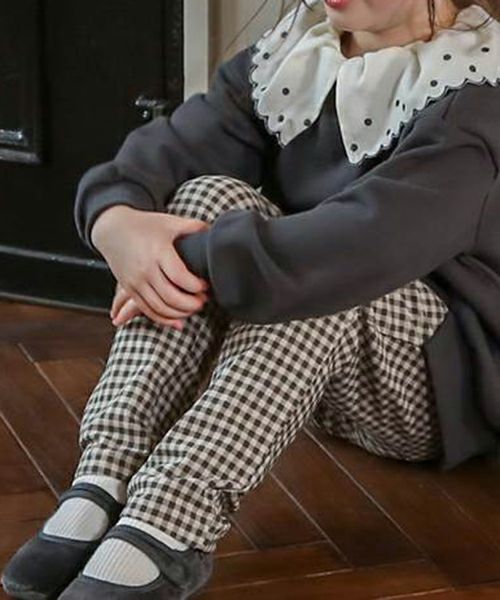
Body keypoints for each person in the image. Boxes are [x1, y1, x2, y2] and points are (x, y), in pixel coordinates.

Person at [3, 0, 500, 598]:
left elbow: (357, 247)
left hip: (437, 391)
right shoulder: (300, 48)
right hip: (310, 365)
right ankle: (104, 478)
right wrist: (117, 221)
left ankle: (169, 523)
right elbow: (177, 149)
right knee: (206, 196)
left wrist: (175, 260)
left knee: (324, 276)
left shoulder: (475, 95)